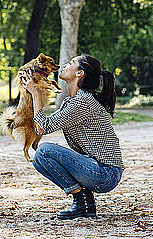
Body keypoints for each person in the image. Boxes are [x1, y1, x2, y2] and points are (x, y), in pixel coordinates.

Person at [25, 54, 124, 220]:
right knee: (39, 160)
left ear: (80, 73)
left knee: (43, 151)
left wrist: (35, 94)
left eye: (71, 63)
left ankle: (82, 202)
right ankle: (84, 203)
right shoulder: (74, 101)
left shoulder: (83, 101)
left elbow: (42, 127)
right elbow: (45, 124)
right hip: (96, 169)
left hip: (106, 173)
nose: (64, 65)